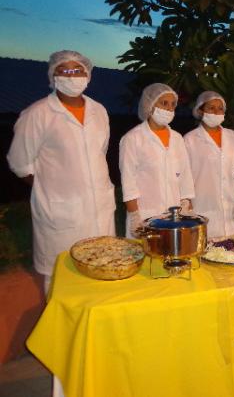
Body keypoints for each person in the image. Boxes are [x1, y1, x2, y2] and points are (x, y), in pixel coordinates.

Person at [7, 50, 116, 293]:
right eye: (63, 71)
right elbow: (19, 162)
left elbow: (100, 151)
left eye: (77, 70)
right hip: (60, 212)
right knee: (61, 281)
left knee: (104, 267)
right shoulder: (37, 114)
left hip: (100, 205)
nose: (71, 75)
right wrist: (51, 188)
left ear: (88, 75)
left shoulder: (99, 111)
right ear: (52, 76)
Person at [119, 83, 194, 237]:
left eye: (173, 105)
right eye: (164, 103)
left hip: (174, 216)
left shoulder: (177, 138)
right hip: (146, 215)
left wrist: (186, 205)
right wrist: (134, 216)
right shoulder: (133, 138)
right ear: (150, 105)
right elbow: (128, 181)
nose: (169, 109)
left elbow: (185, 175)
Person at [184, 91, 234, 239]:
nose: (216, 112)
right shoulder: (190, 140)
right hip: (203, 208)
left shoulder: (233, 137)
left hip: (231, 213)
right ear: (200, 110)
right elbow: (184, 178)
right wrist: (188, 208)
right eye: (211, 108)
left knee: (231, 252)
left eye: (220, 109)